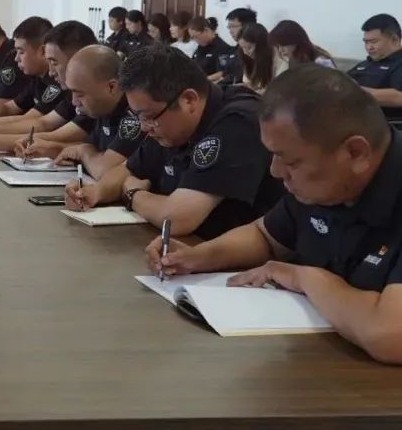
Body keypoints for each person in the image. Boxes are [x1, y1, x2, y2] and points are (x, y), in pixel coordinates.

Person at [145, 66, 402, 364]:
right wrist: (198, 257)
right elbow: (265, 235)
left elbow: (390, 335)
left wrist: (304, 277)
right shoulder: (325, 180)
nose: (275, 172)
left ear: (355, 153)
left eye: (289, 161)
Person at [66, 44, 284, 240]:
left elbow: (177, 218)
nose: (144, 127)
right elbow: (127, 170)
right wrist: (94, 193)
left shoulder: (238, 122)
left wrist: (133, 194)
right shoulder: (166, 122)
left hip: (235, 262)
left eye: (148, 116)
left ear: (189, 100)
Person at [0, 21, 96, 155]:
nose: (51, 72)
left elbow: (51, 132)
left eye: (54, 62)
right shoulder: (47, 81)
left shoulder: (90, 95)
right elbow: (42, 123)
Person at [51, 45, 147, 179]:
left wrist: (83, 152)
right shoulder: (103, 108)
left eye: (80, 94)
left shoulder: (134, 115)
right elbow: (93, 150)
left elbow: (104, 170)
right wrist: (52, 149)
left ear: (111, 87)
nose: (74, 102)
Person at [348, 14, 402, 123]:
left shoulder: (399, 63)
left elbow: (399, 97)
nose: (369, 47)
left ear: (394, 40)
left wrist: (352, 91)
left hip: (387, 126)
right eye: (366, 42)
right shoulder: (364, 65)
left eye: (374, 42)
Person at [236, 22, 283, 94]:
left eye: (249, 48)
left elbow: (278, 90)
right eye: (242, 48)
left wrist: (253, 93)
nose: (245, 52)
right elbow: (249, 83)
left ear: (262, 45)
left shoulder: (279, 58)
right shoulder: (246, 57)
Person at [269, 20, 336, 69]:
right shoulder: (294, 61)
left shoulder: (321, 62)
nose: (280, 50)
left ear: (295, 40)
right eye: (278, 46)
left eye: (283, 45)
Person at [189, 16, 238, 83]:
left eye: (196, 36)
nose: (195, 40)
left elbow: (222, 72)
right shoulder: (200, 48)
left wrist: (202, 80)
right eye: (192, 38)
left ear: (206, 30)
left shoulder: (222, 47)